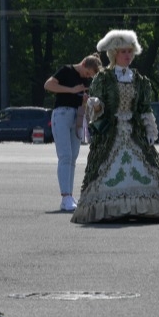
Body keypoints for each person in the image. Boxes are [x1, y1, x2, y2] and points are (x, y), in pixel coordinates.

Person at [71, 29, 159, 223]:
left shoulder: (139, 80)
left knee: (146, 167)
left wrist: (149, 129)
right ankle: (110, 208)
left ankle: (142, 207)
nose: (128, 55)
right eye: (123, 52)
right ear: (114, 54)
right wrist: (96, 104)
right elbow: (97, 106)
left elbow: (144, 108)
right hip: (111, 133)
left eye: (130, 51)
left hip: (134, 131)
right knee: (107, 169)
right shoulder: (103, 78)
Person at [44, 54, 103, 212]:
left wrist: (85, 101)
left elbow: (82, 100)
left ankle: (69, 195)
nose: (87, 77)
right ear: (83, 63)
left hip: (77, 117)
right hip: (61, 114)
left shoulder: (85, 80)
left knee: (73, 157)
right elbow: (48, 85)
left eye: (90, 76)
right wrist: (71, 90)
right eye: (87, 73)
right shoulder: (66, 70)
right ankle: (65, 197)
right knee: (65, 156)